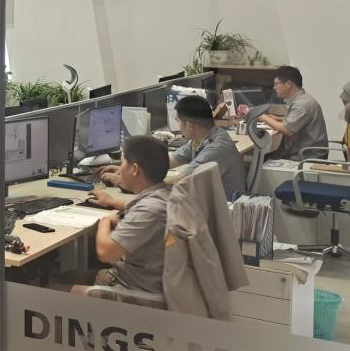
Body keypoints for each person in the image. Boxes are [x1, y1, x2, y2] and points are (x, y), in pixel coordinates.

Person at [62, 135, 172, 297]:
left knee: (53, 289)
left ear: (134, 169)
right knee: (67, 276)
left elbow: (105, 252)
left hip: (136, 290)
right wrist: (112, 203)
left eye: (123, 163)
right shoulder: (165, 194)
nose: (119, 169)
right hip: (144, 277)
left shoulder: (149, 210)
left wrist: (105, 220)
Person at [103, 95, 245, 199]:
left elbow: (178, 182)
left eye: (178, 121)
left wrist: (126, 182)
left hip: (224, 210)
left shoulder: (215, 149)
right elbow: (164, 162)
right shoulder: (202, 138)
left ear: (189, 125)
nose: (178, 126)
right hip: (206, 201)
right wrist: (128, 169)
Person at [261, 65, 328, 160]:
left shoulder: (301, 104)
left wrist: (263, 117)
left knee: (262, 161)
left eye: (276, 84)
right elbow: (300, 121)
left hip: (306, 157)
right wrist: (278, 119)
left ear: (288, 84)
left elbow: (287, 130)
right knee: (264, 158)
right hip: (304, 153)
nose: (274, 87)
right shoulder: (303, 99)